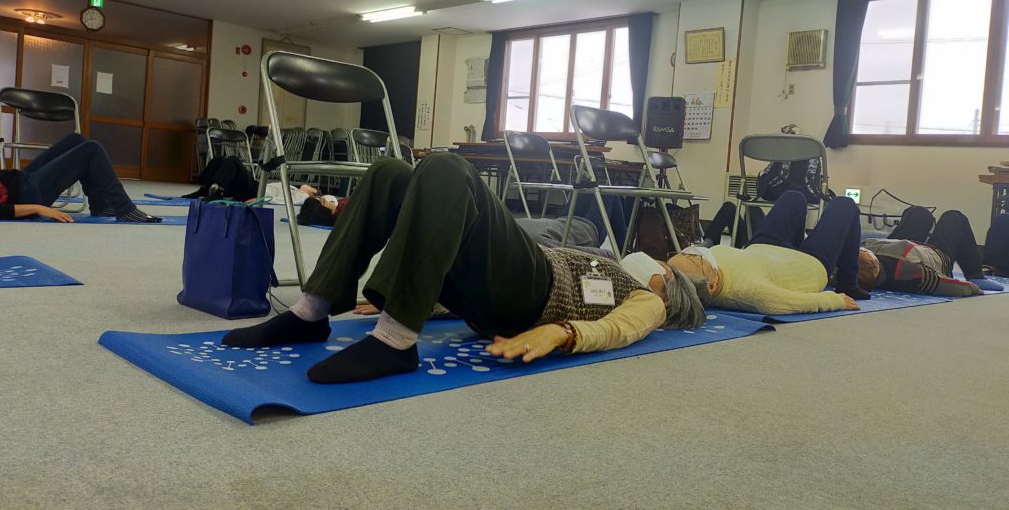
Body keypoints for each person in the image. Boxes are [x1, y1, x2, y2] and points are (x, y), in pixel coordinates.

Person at [222, 152, 706, 384]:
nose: (664, 263)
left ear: (670, 287)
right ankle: (311, 312)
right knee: (390, 173)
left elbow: (619, 330)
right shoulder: (617, 264)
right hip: (497, 288)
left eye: (670, 268)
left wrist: (561, 333)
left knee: (449, 170)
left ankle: (395, 342)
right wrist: (423, 300)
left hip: (534, 292)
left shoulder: (649, 300)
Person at [663, 190, 866, 315]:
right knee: (845, 205)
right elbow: (798, 303)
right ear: (712, 284)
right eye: (695, 260)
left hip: (763, 247)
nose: (695, 253)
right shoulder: (753, 293)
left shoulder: (690, 275)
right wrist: (837, 300)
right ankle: (849, 284)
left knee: (793, 197)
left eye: (686, 253)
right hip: (807, 264)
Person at [0, 133, 161, 223]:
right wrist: (37, 208)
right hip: (27, 195)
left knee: (76, 140)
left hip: (20, 179)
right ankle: (125, 209)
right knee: (92, 149)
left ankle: (101, 206)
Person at [856, 206, 1001, 295]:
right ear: (875, 268)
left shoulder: (859, 259)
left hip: (899, 246)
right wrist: (974, 288)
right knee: (954, 217)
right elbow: (952, 286)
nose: (865, 251)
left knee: (918, 213)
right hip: (933, 256)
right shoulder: (907, 271)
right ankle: (976, 275)